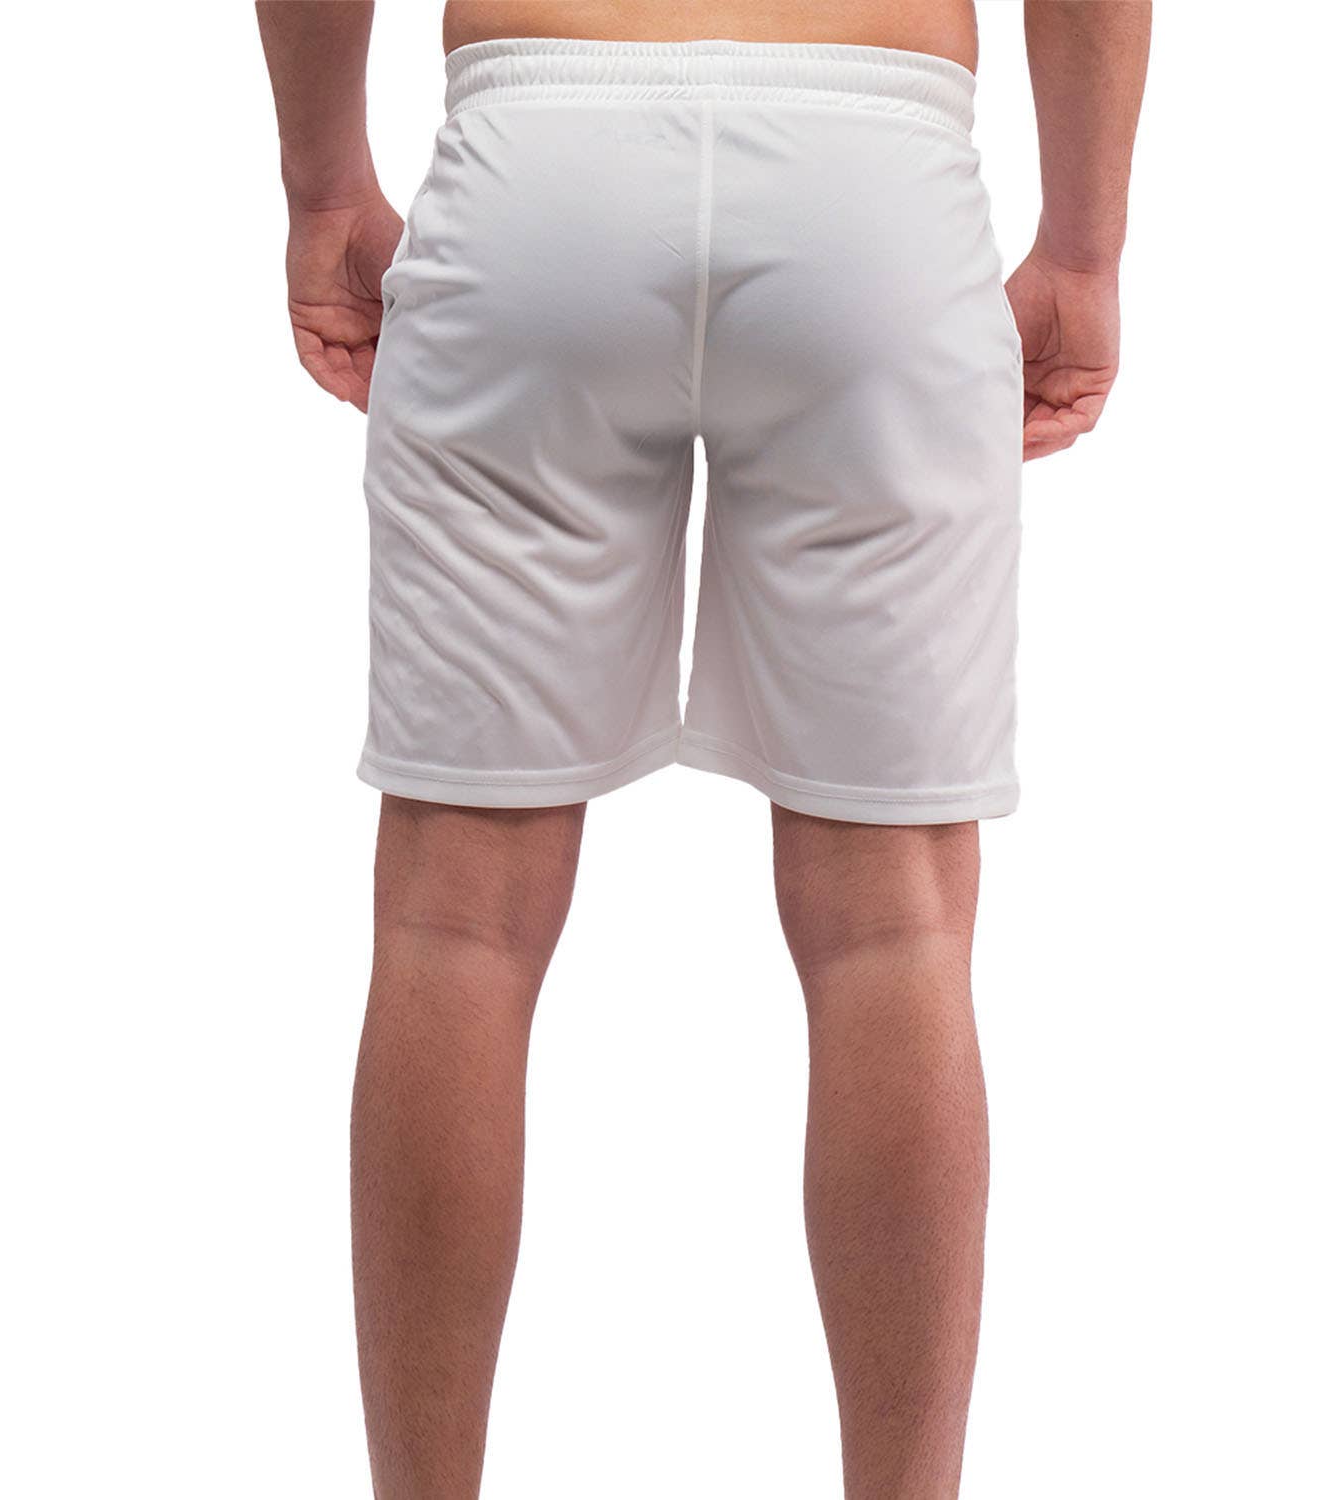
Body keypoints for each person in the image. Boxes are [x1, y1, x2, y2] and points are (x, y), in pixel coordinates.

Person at [256, 3, 1150, 1496]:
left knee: (454, 922)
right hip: (875, 170)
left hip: (541, 157)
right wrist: (1084, 251)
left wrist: (325, 185)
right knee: (896, 931)